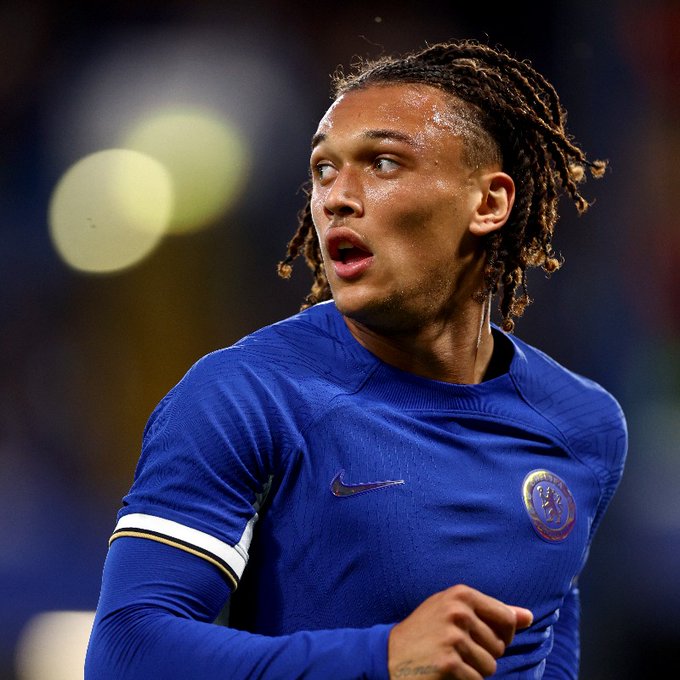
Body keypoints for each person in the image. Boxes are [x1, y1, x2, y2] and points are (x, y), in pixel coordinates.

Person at [85, 38, 627, 679]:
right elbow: (127, 651)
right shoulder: (243, 396)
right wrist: (381, 658)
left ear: (488, 203)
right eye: (323, 170)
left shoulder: (584, 426)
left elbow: (543, 655)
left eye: (384, 163)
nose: (336, 197)